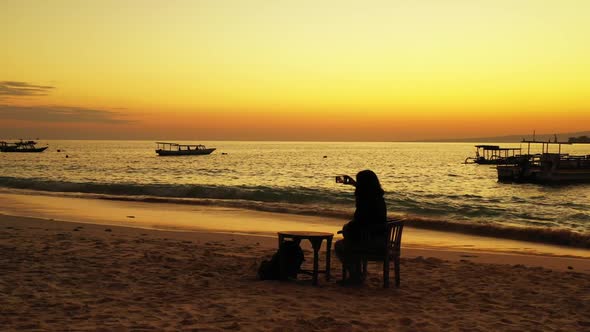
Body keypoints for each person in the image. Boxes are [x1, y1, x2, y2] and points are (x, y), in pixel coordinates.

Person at [335, 170, 387, 285]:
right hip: (381, 240)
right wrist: (354, 184)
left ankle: (355, 276)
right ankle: (357, 275)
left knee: (341, 245)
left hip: (371, 241)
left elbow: (359, 222)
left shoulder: (366, 202)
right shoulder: (378, 197)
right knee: (351, 237)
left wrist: (346, 228)